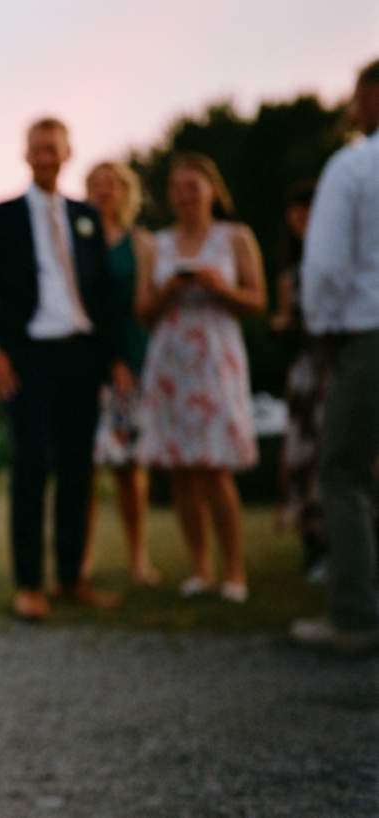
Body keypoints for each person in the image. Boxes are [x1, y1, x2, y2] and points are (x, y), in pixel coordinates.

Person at [0, 117, 132, 622]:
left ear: (67, 152)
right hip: (27, 356)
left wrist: (117, 357)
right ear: (26, 154)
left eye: (53, 148)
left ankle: (72, 578)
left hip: (82, 354)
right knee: (33, 464)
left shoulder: (86, 215)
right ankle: (29, 586)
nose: (45, 156)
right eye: (37, 148)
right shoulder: (0, 216)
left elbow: (103, 296)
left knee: (80, 470)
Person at [135, 153, 266, 604]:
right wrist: (167, 291)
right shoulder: (157, 244)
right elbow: (142, 312)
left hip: (216, 359)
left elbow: (258, 302)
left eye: (193, 186)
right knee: (182, 471)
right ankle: (200, 569)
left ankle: (234, 571)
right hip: (170, 363)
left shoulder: (236, 237)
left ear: (213, 190)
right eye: (177, 189)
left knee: (215, 467)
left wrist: (220, 287)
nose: (185, 195)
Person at [289, 58, 379, 655]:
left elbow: (322, 265)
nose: (349, 108)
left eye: (355, 96)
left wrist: (321, 329)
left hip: (367, 335)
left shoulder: (353, 165)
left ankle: (353, 615)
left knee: (343, 470)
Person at [80, 162, 159, 586]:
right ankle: (83, 559)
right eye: (95, 184)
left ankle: (137, 557)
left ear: (125, 192)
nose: (103, 190)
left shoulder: (141, 243)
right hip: (87, 360)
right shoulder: (76, 241)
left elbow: (147, 305)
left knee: (129, 467)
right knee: (85, 467)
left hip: (132, 357)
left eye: (111, 184)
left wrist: (127, 360)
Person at [270, 182, 327, 581]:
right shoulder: (290, 271)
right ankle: (316, 550)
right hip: (306, 370)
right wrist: (281, 324)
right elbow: (285, 322)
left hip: (338, 366)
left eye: (307, 210)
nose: (300, 219)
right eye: (295, 213)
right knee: (304, 458)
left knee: (336, 456)